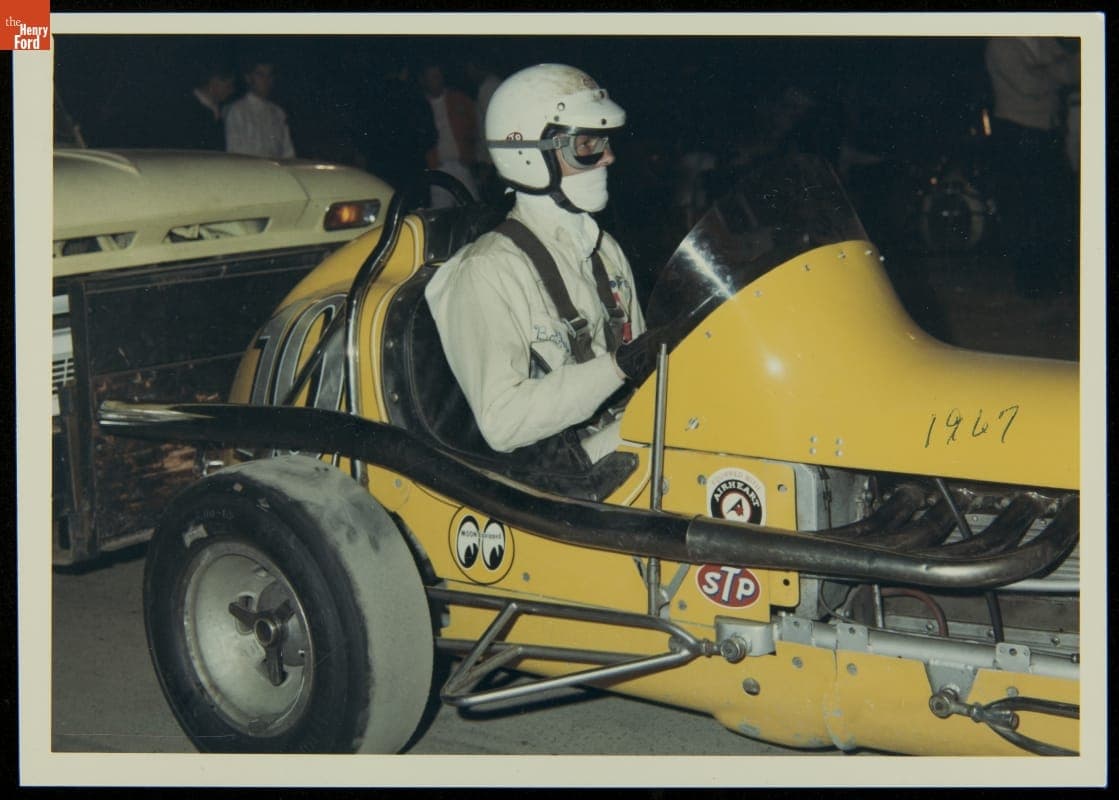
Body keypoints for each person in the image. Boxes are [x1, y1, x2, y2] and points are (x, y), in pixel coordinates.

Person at [425, 63, 671, 469]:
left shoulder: (604, 249)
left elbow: (643, 369)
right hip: (555, 477)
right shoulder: (487, 270)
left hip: (622, 442)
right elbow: (502, 421)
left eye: (605, 141)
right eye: (587, 144)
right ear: (528, 154)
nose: (608, 157)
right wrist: (615, 368)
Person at [984, 37, 1080, 296]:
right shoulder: (1001, 43)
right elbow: (1028, 85)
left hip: (1047, 130)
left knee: (1051, 206)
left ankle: (1050, 279)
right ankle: (1031, 283)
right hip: (1016, 133)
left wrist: (1045, 71)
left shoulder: (1042, 37)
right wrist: (1054, 71)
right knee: (1024, 210)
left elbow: (1075, 71)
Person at [418, 61, 479, 207]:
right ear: (424, 80)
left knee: (472, 208)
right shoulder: (419, 106)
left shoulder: (459, 99)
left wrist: (473, 155)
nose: (437, 80)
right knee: (440, 213)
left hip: (461, 165)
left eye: (438, 76)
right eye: (432, 77)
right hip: (437, 168)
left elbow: (475, 127)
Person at [225, 57, 296, 159]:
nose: (266, 80)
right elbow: (233, 151)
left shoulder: (278, 112)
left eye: (269, 75)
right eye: (260, 75)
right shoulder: (237, 111)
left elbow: (288, 152)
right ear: (248, 78)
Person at [160, 59, 235, 150]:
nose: (231, 91)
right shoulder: (186, 108)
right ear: (213, 81)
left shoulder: (219, 110)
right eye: (228, 86)